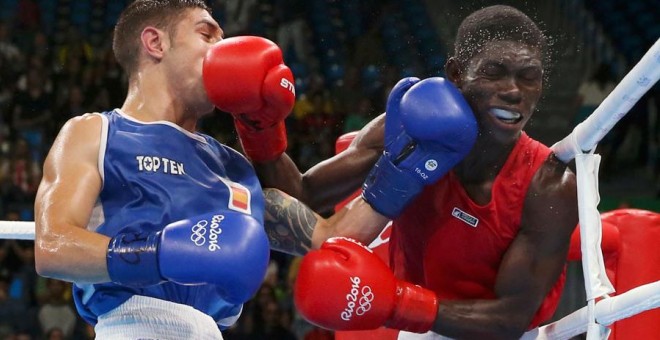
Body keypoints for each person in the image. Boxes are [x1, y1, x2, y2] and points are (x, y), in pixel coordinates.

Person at [243, 5, 579, 339]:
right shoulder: (408, 129)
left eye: (528, 77)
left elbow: (510, 318)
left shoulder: (549, 185)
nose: (513, 91)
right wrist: (258, 124)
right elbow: (302, 195)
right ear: (457, 74)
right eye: (495, 72)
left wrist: (396, 304)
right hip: (421, 326)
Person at [33, 1, 298, 338]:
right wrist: (159, 254)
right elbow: (52, 246)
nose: (223, 49)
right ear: (155, 43)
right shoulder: (96, 133)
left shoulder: (234, 166)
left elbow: (324, 230)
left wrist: (385, 163)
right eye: (207, 35)